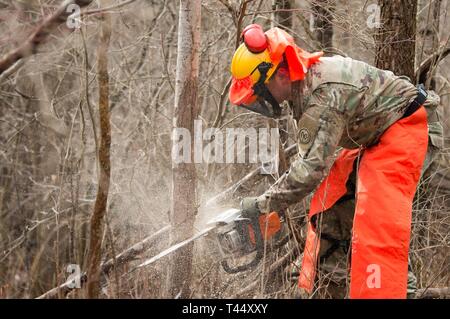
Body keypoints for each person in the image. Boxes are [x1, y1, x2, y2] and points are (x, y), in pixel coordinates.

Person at [229, 24, 444, 299]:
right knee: (332, 203)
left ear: (280, 74)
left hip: (409, 127)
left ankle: (397, 293)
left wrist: (261, 205)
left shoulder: (321, 99)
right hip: (379, 136)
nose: (260, 100)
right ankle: (329, 288)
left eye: (260, 92)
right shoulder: (306, 85)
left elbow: (309, 171)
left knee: (376, 228)